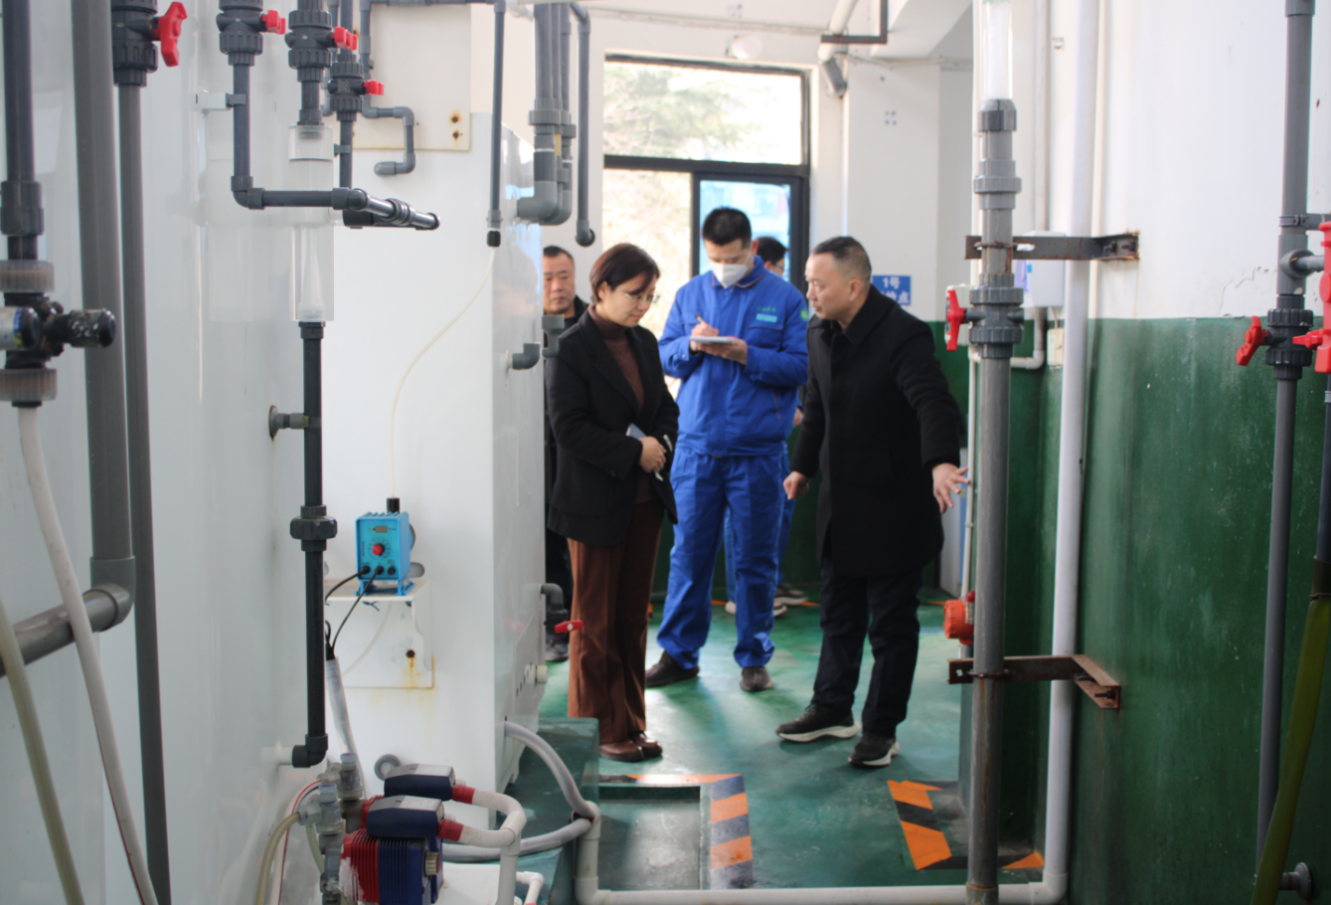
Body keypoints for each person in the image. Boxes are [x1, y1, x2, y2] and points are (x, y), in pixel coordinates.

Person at [776, 236, 966, 769]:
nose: (810, 293)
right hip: (841, 505)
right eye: (808, 282)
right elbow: (815, 406)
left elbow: (933, 401)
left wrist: (941, 462)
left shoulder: (902, 333)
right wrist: (802, 467)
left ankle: (881, 728)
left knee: (891, 627)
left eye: (819, 284)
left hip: (893, 507)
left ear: (854, 287)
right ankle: (832, 708)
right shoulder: (818, 331)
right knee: (838, 616)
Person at [649, 208, 809, 693]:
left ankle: (754, 657)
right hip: (696, 448)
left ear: (752, 249)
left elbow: (802, 366)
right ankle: (679, 655)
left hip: (758, 453)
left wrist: (747, 355)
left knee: (756, 560)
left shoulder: (786, 299)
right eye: (715, 259)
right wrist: (692, 346)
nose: (724, 267)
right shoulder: (690, 294)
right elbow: (663, 355)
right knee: (688, 555)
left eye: (733, 258)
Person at [547, 243, 679, 763]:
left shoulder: (643, 342)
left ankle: (631, 722)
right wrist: (634, 452)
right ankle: (601, 729)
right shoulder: (573, 349)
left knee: (631, 619)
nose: (643, 305)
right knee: (595, 623)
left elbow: (665, 409)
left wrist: (659, 444)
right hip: (595, 504)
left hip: (644, 499)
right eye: (635, 295)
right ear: (602, 289)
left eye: (650, 296)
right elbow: (569, 428)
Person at [722, 235, 806, 616]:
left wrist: (794, 406)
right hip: (740, 436)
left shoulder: (788, 303)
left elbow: (798, 365)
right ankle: (740, 595)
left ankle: (767, 586)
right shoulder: (716, 301)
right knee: (740, 518)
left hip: (773, 435)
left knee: (776, 513)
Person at [543, 246, 588, 662]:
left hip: (585, 458)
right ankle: (556, 630)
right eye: (547, 278)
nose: (557, 286)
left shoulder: (594, 325)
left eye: (564, 276)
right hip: (537, 459)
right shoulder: (520, 327)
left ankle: (589, 629)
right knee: (547, 546)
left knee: (588, 553)